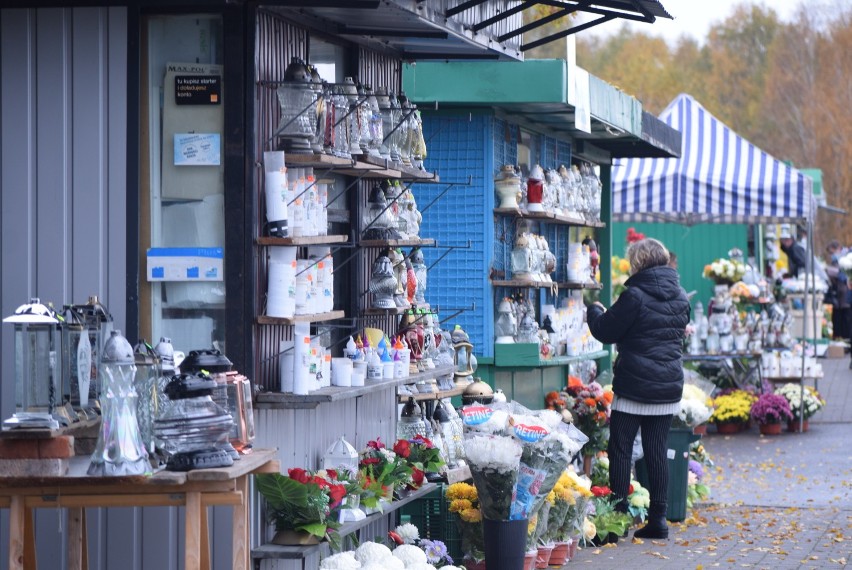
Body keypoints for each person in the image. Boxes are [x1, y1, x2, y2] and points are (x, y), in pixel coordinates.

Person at [585, 238, 690, 540]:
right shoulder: (681, 295)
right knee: (656, 451)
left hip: (633, 387)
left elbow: (605, 330)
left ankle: (616, 521)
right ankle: (658, 520)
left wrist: (594, 308)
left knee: (621, 450)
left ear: (639, 262)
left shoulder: (635, 295)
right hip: (668, 387)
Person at [825, 240, 851, 341]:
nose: (831, 255)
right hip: (840, 298)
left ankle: (846, 340)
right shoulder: (837, 261)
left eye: (832, 252)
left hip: (846, 297)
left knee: (847, 320)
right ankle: (841, 340)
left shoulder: (846, 259)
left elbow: (843, 276)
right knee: (839, 320)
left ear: (838, 249)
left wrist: (832, 272)